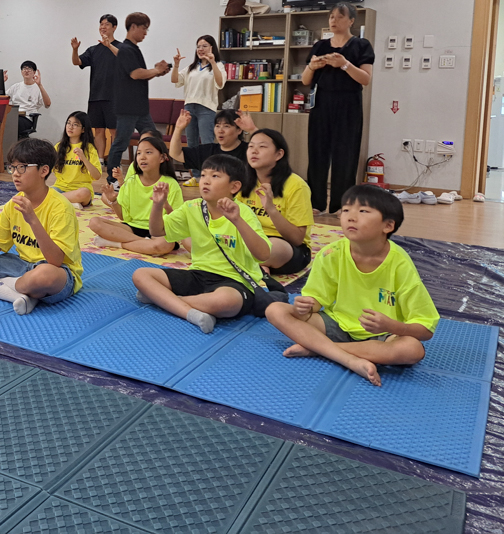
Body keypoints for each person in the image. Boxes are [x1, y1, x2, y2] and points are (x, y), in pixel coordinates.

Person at [266, 184, 438, 387]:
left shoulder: (400, 264)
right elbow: (317, 300)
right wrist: (307, 304)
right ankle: (348, 358)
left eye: (363, 211)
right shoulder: (331, 253)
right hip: (337, 325)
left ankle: (318, 348)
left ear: (388, 226)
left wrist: (390, 326)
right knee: (276, 310)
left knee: (412, 349)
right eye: (346, 210)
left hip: (382, 336)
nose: (350, 217)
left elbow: (425, 329)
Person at [133, 155, 270, 333]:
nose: (205, 181)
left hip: (235, 281)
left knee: (225, 302)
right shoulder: (192, 207)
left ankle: (163, 300)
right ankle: (191, 313)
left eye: (215, 176)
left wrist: (237, 220)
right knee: (140, 275)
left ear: (234, 187)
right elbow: (157, 232)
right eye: (203, 175)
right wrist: (158, 205)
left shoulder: (243, 212)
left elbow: (263, 255)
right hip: (198, 275)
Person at [0, 138, 83, 315]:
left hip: (58, 272)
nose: (15, 174)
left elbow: (55, 261)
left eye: (22, 167)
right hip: (20, 266)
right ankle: (19, 295)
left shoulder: (60, 207)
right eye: (12, 167)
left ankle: (5, 287)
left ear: (44, 171)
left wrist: (32, 220)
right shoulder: (13, 205)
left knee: (43, 275)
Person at [301, 3, 375, 214]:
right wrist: (312, 66)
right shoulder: (320, 46)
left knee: (346, 154)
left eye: (340, 17)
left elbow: (366, 79)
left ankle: (341, 204)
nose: (334, 20)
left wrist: (344, 64)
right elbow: (306, 80)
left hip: (348, 104)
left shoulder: (361, 45)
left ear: (351, 21)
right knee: (317, 152)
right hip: (321, 103)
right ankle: (316, 203)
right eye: (331, 17)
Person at [236, 129, 314, 275]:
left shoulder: (296, 186)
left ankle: (250, 265)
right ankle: (259, 268)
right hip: (250, 240)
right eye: (251, 146)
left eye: (262, 146)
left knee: (269, 247)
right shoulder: (243, 181)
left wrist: (271, 210)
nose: (254, 151)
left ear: (279, 154)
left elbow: (297, 239)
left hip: (287, 247)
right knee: (197, 239)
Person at [91, 134, 183, 256]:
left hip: (159, 231)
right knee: (94, 222)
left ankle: (116, 243)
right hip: (131, 228)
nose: (142, 157)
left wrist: (165, 205)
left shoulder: (171, 184)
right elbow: (123, 217)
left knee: (165, 245)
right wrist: (113, 201)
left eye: (148, 152)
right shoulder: (131, 182)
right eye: (139, 153)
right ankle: (144, 243)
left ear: (162, 158)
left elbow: (177, 221)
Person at [106, 12, 171, 183]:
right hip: (128, 107)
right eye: (144, 28)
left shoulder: (133, 49)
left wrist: (157, 72)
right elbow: (135, 74)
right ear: (133, 27)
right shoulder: (126, 50)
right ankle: (112, 180)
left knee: (154, 139)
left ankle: (157, 174)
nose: (145, 33)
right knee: (121, 143)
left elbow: (140, 75)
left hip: (139, 107)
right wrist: (156, 70)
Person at [171, 36, 227, 185]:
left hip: (206, 108)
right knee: (192, 143)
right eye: (198, 46)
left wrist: (213, 62)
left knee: (207, 143)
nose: (201, 49)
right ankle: (196, 176)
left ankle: (209, 175)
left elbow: (220, 83)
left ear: (212, 48)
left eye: (204, 46)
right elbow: (175, 80)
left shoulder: (218, 65)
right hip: (189, 107)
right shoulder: (191, 67)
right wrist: (176, 65)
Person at [71, 14, 122, 158]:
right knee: (98, 130)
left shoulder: (121, 47)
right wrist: (75, 50)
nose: (103, 27)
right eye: (101, 24)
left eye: (106, 24)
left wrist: (109, 45)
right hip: (95, 96)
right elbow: (77, 62)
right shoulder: (93, 50)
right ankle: (100, 160)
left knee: (114, 130)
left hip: (114, 97)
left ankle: (115, 160)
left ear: (114, 27)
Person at [168, 108, 257, 172]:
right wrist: (178, 129)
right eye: (217, 126)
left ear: (239, 130)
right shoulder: (207, 151)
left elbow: (266, 150)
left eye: (226, 126)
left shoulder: (249, 150)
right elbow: (176, 154)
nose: (220, 130)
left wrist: (253, 130)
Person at [52, 111, 102, 209]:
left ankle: (55, 200)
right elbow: (48, 168)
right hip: (60, 188)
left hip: (80, 191)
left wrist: (83, 158)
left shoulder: (89, 148)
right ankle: (68, 202)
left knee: (84, 193)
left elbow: (97, 176)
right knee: (44, 190)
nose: (70, 127)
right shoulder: (58, 147)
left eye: (75, 125)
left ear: (83, 129)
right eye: (68, 123)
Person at [5, 61, 51, 138]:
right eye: (24, 68)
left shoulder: (38, 88)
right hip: (13, 115)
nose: (26, 71)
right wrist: (2, 82)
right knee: (0, 122)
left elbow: (47, 104)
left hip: (26, 118)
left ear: (34, 72)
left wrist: (40, 85)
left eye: (29, 69)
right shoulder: (15, 87)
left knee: (14, 123)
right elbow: (3, 98)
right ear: (21, 72)